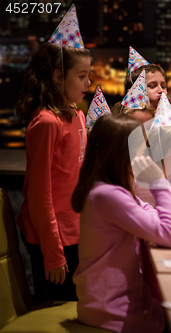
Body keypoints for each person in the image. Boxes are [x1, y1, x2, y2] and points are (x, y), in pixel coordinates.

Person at [72, 114, 171, 333]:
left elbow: (147, 211)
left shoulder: (109, 190)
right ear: (120, 155)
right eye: (140, 153)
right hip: (111, 311)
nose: (145, 160)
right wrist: (159, 182)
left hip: (112, 303)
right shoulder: (108, 195)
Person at [15, 43, 91, 302]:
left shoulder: (78, 116)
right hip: (52, 236)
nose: (88, 82)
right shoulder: (47, 122)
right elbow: (39, 193)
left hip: (76, 229)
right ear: (58, 76)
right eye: (81, 76)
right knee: (55, 309)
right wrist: (52, 252)